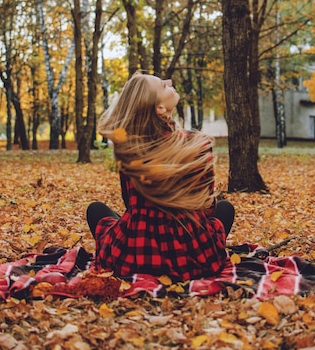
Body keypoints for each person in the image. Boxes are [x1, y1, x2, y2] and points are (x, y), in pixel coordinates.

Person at [86, 72, 235, 282]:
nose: (170, 82)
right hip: (191, 257)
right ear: (160, 108)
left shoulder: (129, 147)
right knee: (225, 209)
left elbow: (130, 203)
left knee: (96, 210)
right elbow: (208, 207)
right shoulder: (197, 144)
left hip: (135, 255)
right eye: (163, 86)